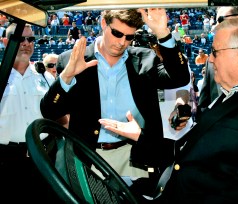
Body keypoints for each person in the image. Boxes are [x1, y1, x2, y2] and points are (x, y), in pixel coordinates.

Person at [99, 18, 238, 204]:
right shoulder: (231, 94)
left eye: (215, 52)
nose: (211, 60)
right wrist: (141, 137)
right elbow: (193, 150)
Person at [40, 9, 189, 179]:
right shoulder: (72, 60)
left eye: (129, 37)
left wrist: (162, 33)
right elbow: (50, 112)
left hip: (135, 156)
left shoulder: (145, 59)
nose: (122, 42)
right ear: (104, 23)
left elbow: (180, 78)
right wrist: (67, 76)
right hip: (88, 157)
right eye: (117, 33)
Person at [0, 23, 63, 202]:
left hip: (43, 157)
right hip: (7, 160)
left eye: (31, 39)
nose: (27, 43)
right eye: (21, 39)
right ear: (6, 42)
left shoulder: (45, 77)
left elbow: (59, 116)